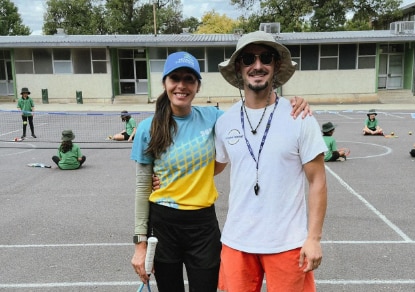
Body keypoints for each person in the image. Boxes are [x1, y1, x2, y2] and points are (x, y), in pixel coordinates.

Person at [130, 51, 311, 292]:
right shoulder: (147, 128)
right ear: (165, 83)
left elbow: (250, 116)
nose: (181, 86)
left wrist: (295, 103)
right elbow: (143, 187)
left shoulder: (214, 118)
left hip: (203, 226)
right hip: (163, 224)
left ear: (197, 86)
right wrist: (140, 245)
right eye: (175, 78)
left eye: (189, 79)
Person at [214, 30, 328, 292]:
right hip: (237, 242)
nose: (257, 66)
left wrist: (314, 238)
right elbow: (213, 167)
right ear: (238, 68)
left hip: (287, 243)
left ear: (276, 66)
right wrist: (167, 174)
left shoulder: (300, 117)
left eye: (265, 58)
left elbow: (318, 180)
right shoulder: (224, 121)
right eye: (248, 59)